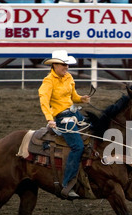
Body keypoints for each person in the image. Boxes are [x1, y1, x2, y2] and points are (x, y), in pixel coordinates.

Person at [39, 50, 91, 199]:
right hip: (61, 118)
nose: (66, 67)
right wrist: (50, 119)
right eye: (63, 65)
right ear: (54, 65)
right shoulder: (48, 81)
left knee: (94, 129)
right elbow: (44, 101)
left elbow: (73, 96)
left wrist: (81, 99)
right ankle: (67, 184)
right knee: (77, 146)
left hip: (75, 113)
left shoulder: (68, 77)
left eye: (67, 65)